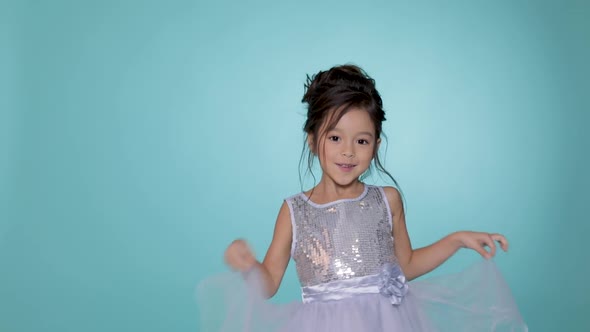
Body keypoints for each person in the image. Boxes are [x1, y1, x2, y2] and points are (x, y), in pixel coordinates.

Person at [201, 64, 527, 331]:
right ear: (313, 141)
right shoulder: (295, 211)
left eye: (361, 141)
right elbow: (270, 282)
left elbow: (406, 265)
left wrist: (456, 239)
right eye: (335, 137)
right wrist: (248, 266)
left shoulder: (387, 200)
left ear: (376, 145)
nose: (347, 151)